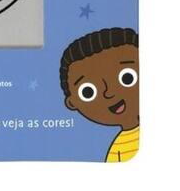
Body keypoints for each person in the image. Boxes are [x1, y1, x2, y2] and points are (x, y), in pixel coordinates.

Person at [59, 27, 139, 162]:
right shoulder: (117, 150)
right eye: (88, 92)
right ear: (72, 103)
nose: (109, 93)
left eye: (127, 78)